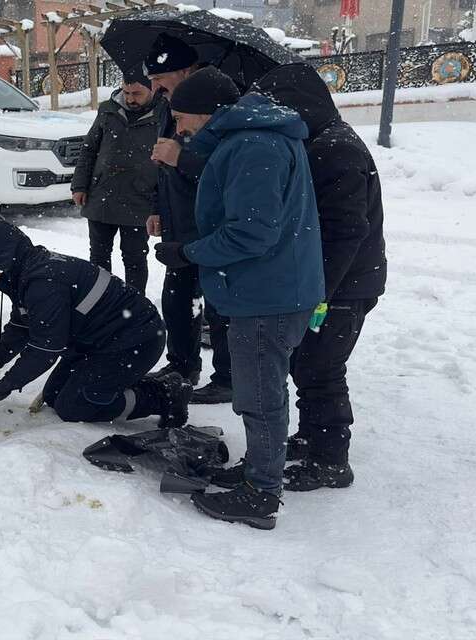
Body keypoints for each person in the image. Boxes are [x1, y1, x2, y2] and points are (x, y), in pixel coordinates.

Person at [152, 68, 324, 529]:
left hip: (268, 294)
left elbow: (252, 232)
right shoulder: (251, 139)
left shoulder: (255, 146)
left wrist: (188, 252)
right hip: (271, 287)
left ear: (211, 114)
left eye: (184, 117)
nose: (180, 128)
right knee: (261, 390)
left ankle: (261, 494)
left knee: (260, 396)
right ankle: (258, 471)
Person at [250, 64, 388, 491]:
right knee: (308, 364)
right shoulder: (320, 140)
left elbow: (346, 231)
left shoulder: (335, 148)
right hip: (335, 282)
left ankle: (330, 461)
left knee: (321, 368)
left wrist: (318, 293)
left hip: (344, 286)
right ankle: (312, 439)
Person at [0, 218, 190, 428]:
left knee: (75, 406)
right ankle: (122, 383)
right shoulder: (27, 271)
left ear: (2, 258)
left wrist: (5, 386)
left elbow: (46, 348)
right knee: (54, 395)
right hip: (99, 340)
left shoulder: (43, 284)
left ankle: (165, 395)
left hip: (135, 340)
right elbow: (22, 326)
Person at [142, 34, 233, 405]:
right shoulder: (168, 105)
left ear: (184, 70)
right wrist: (156, 207)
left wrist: (183, 158)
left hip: (211, 225)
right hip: (178, 220)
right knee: (176, 298)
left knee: (219, 303)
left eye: (159, 78)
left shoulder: (220, 105)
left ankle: (229, 377)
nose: (154, 88)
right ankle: (182, 365)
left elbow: (226, 173)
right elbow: (165, 162)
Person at [70, 75, 160, 295]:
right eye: (126, 93)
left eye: (136, 94)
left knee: (135, 257)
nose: (130, 99)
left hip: (140, 198)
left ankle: (135, 305)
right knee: (99, 257)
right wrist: (79, 185)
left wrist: (159, 203)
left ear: (151, 90)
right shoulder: (108, 110)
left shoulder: (162, 114)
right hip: (102, 194)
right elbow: (89, 149)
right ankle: (100, 303)